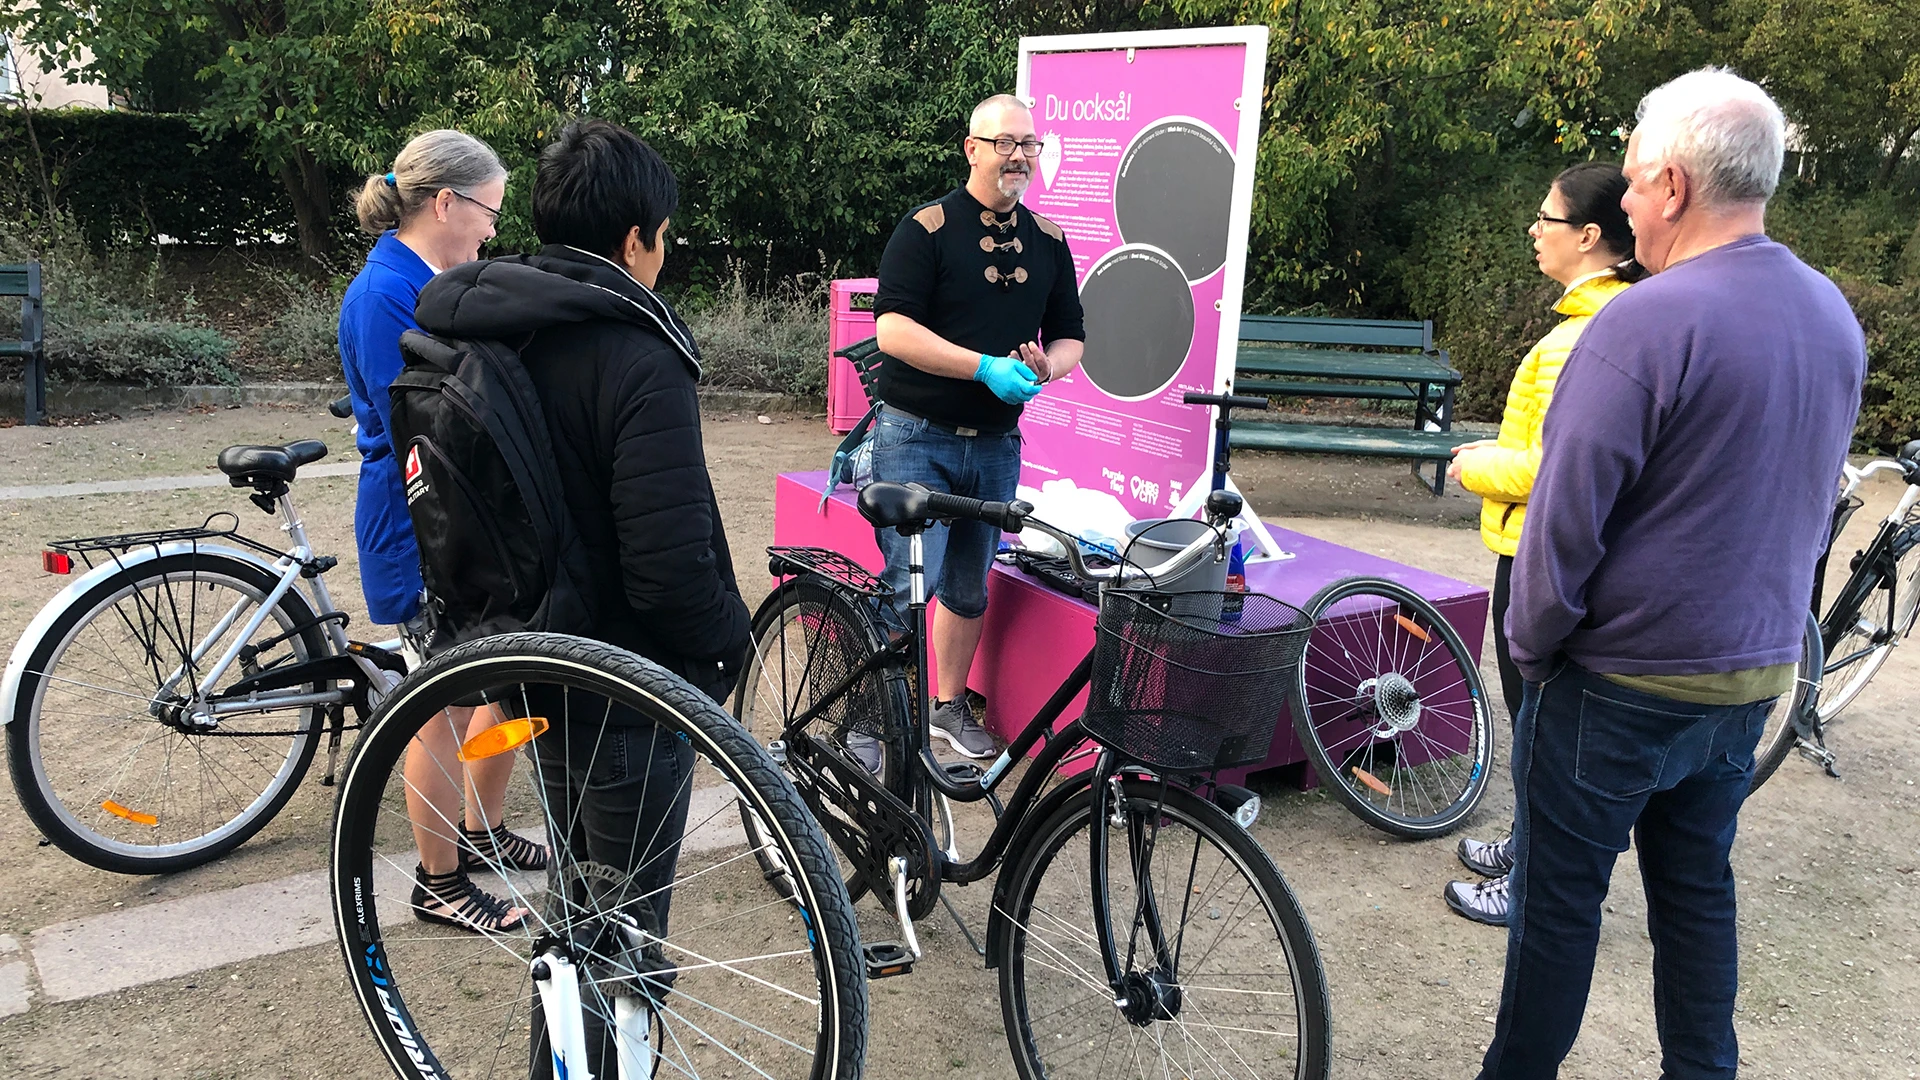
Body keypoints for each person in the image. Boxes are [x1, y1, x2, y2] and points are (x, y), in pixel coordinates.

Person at [1480, 68, 1865, 1079]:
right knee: (1696, 898)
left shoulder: (1640, 326)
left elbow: (1564, 528)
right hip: (1747, 681)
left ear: (1672, 185)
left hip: (1617, 684)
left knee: (1558, 914)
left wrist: (1534, 646)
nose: (1630, 204)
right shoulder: (1830, 314)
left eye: (1637, 183)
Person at [413, 118, 749, 984]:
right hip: (629, 683)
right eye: (664, 238)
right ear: (637, 239)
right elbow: (668, 563)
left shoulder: (487, 324)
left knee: (575, 915)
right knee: (627, 947)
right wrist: (725, 641)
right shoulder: (639, 353)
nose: (663, 254)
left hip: (526, 653)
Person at [339, 129, 547, 935]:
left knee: (502, 680)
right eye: (490, 211)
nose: (495, 229)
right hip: (418, 521)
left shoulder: (426, 278)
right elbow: (421, 426)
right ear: (446, 202)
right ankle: (439, 881)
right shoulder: (385, 294)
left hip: (459, 516)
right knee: (444, 704)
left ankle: (483, 831)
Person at [1441, 161, 1644, 927]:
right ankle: (1529, 845)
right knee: (1538, 717)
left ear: (1590, 236)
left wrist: (1473, 464)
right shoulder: (1599, 320)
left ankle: (1532, 879)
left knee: (1544, 724)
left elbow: (1560, 464)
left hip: (1538, 552)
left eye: (1546, 219)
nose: (1534, 230)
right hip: (1535, 546)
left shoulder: (1585, 336)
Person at [868, 92, 1086, 761]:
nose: (1018, 156)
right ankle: (870, 719)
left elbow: (1072, 336)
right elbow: (893, 329)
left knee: (967, 584)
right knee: (909, 583)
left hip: (996, 447)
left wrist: (1046, 367)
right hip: (916, 435)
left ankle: (946, 707)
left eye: (1029, 144)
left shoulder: (1049, 241)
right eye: (1004, 143)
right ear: (972, 149)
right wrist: (983, 368)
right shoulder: (926, 229)